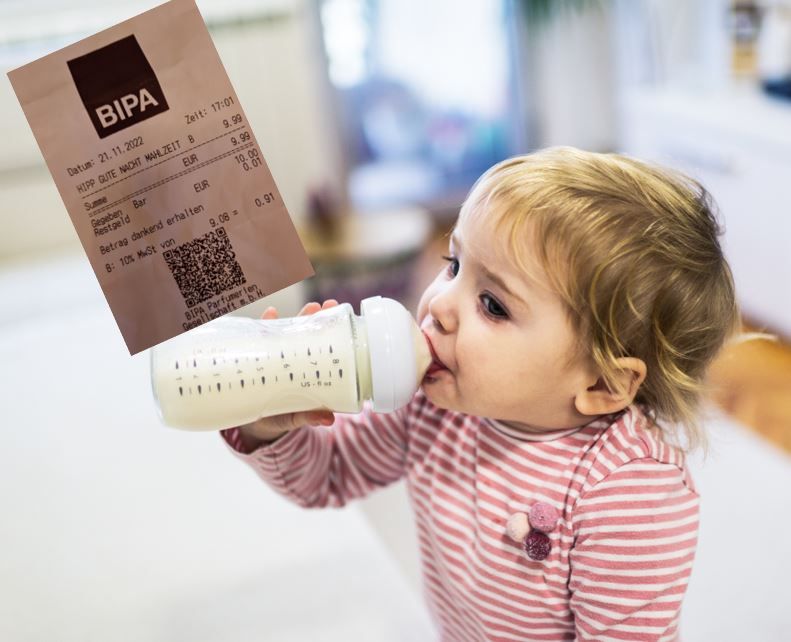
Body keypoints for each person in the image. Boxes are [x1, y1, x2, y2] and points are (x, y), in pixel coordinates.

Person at [221, 147, 739, 641]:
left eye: (492, 304)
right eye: (453, 264)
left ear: (601, 384)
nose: (439, 304)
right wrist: (270, 417)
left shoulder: (628, 492)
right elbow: (324, 476)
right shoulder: (432, 406)